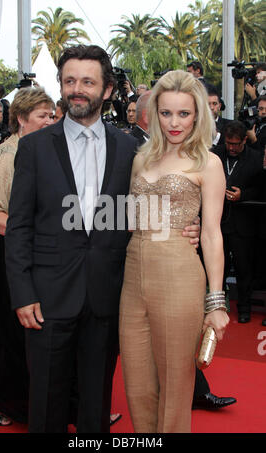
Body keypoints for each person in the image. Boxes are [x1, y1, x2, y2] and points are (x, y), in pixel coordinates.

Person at [4, 45, 201, 434]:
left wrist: (184, 229)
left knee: (97, 405)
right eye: (69, 81)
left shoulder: (132, 150)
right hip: (47, 297)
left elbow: (147, 208)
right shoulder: (34, 147)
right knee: (45, 402)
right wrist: (22, 292)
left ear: (107, 89)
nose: (77, 89)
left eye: (87, 81)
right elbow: (19, 226)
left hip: (109, 295)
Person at [119, 69, 230, 433]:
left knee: (176, 386)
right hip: (133, 276)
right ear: (153, 114)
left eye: (184, 113)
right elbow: (131, 218)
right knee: (137, 385)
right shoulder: (140, 159)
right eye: (166, 113)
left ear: (198, 114)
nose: (174, 122)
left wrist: (216, 303)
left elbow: (212, 234)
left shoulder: (208, 163)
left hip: (180, 275)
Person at [0, 87, 55, 426]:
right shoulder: (8, 154)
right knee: (7, 329)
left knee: (23, 332)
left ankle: (30, 402)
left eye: (52, 115)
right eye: (43, 116)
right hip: (8, 253)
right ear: (21, 119)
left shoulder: (41, 151)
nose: (50, 121)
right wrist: (32, 236)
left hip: (30, 253)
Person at [213, 121, 264, 323]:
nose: (232, 147)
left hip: (244, 224)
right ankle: (216, 307)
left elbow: (260, 189)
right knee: (218, 269)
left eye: (236, 144)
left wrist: (243, 195)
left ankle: (244, 308)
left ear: (244, 140)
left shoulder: (255, 158)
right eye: (228, 143)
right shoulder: (215, 154)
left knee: (244, 269)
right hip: (218, 223)